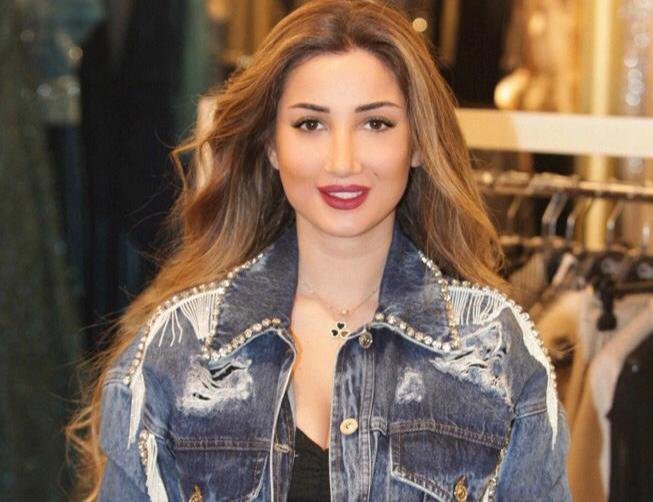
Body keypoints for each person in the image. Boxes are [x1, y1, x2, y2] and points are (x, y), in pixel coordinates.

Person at [66, 0, 571, 500]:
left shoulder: (493, 351)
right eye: (311, 124)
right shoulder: (180, 349)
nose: (342, 162)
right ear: (271, 144)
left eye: (376, 123)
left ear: (418, 142)